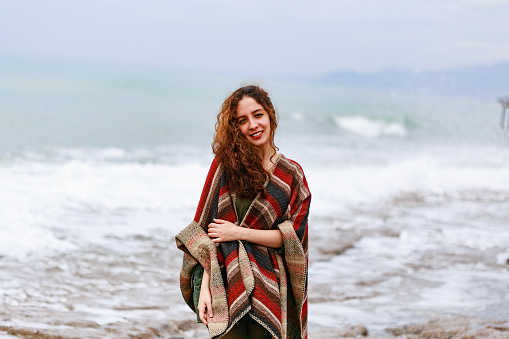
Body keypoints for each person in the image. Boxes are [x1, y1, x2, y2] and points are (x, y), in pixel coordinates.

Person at [175, 85, 311, 339]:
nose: (253, 125)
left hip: (270, 285)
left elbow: (292, 238)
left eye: (258, 115)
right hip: (225, 281)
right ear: (236, 127)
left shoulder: (292, 174)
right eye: (242, 120)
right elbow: (206, 233)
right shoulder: (226, 165)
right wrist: (205, 287)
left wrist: (239, 232)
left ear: (270, 115)